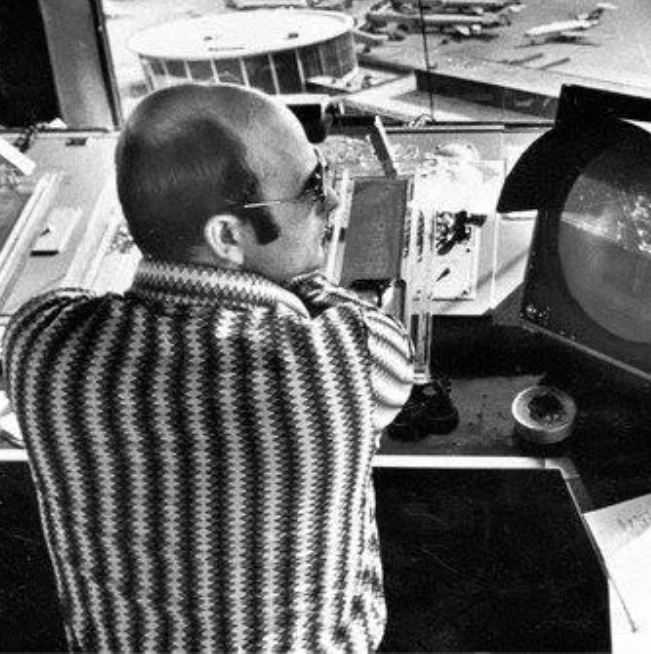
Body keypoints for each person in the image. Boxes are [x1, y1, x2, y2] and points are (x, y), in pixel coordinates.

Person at [2, 84, 414, 652]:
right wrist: (296, 270)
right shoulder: (344, 359)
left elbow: (81, 299)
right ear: (225, 236)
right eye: (313, 189)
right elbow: (373, 333)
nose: (334, 204)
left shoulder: (40, 344)